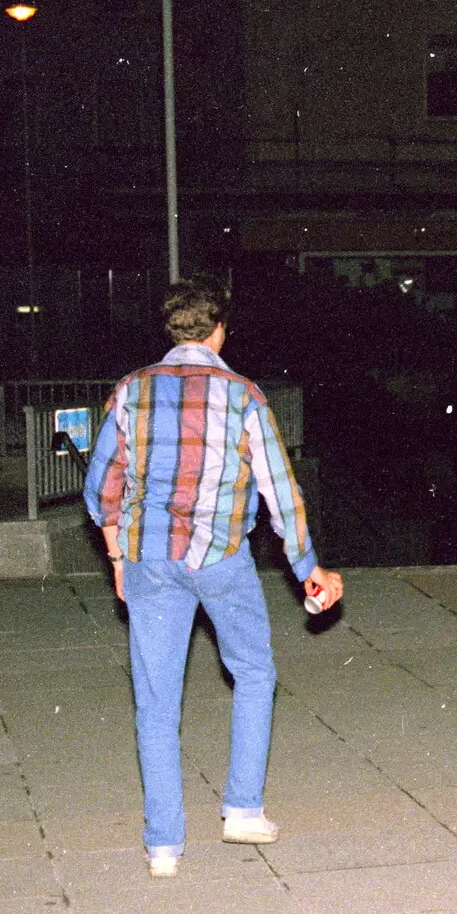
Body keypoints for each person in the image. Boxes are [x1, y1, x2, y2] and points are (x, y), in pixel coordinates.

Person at [83, 275, 343, 878]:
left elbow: (101, 490)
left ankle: (163, 847)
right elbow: (281, 491)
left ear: (170, 330)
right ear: (220, 330)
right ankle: (242, 810)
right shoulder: (244, 395)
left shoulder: (130, 392)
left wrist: (119, 558)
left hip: (150, 559)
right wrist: (308, 568)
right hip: (221, 558)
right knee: (253, 671)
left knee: (155, 699)